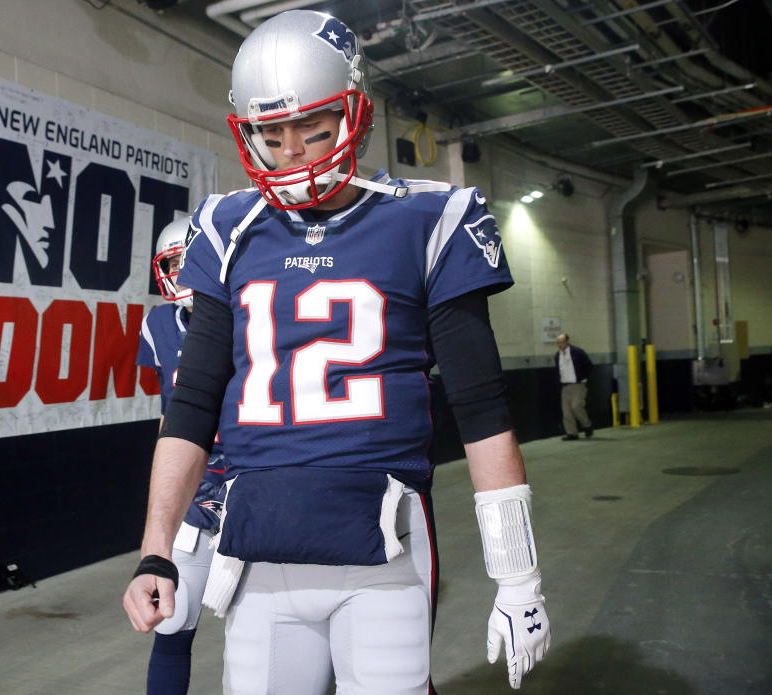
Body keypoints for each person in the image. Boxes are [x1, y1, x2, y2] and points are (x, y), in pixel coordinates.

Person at [123, 10, 551, 693]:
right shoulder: (225, 227)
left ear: (355, 111)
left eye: (313, 126)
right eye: (272, 131)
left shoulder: (430, 218)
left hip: (384, 538)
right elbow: (192, 407)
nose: (293, 149)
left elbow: (480, 407)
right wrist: (155, 550)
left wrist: (518, 570)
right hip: (258, 541)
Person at [135, 216, 227, 695]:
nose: (185, 274)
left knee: (269, 630)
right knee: (172, 626)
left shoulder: (251, 314)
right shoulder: (158, 325)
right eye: (176, 264)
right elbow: (170, 415)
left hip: (255, 482)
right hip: (196, 488)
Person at [554, 333, 593, 440]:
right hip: (565, 386)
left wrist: (584, 378)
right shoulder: (558, 355)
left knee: (576, 406)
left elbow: (589, 365)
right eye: (558, 343)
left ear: (567, 341)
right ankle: (572, 433)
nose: (560, 344)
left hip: (578, 385)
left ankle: (587, 425)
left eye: (562, 342)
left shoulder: (578, 352)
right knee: (566, 411)